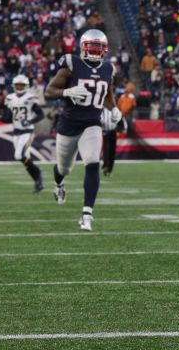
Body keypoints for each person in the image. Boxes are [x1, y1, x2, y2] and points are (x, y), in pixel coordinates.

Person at [44, 29, 121, 231]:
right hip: (69, 125)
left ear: (104, 49)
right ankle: (59, 184)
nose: (95, 51)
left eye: (99, 48)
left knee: (93, 163)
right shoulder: (71, 64)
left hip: (92, 123)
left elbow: (108, 94)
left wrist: (115, 109)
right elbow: (49, 91)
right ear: (83, 47)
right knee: (64, 169)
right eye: (92, 47)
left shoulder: (108, 69)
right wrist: (67, 91)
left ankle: (87, 214)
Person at [2, 74, 45, 193]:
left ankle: (38, 173)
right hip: (16, 133)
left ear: (26, 86)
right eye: (18, 85)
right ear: (14, 85)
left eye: (22, 85)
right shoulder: (10, 98)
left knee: (18, 155)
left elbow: (41, 115)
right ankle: (38, 181)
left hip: (27, 132)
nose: (20, 87)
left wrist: (29, 121)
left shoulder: (31, 98)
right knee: (25, 160)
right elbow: (8, 117)